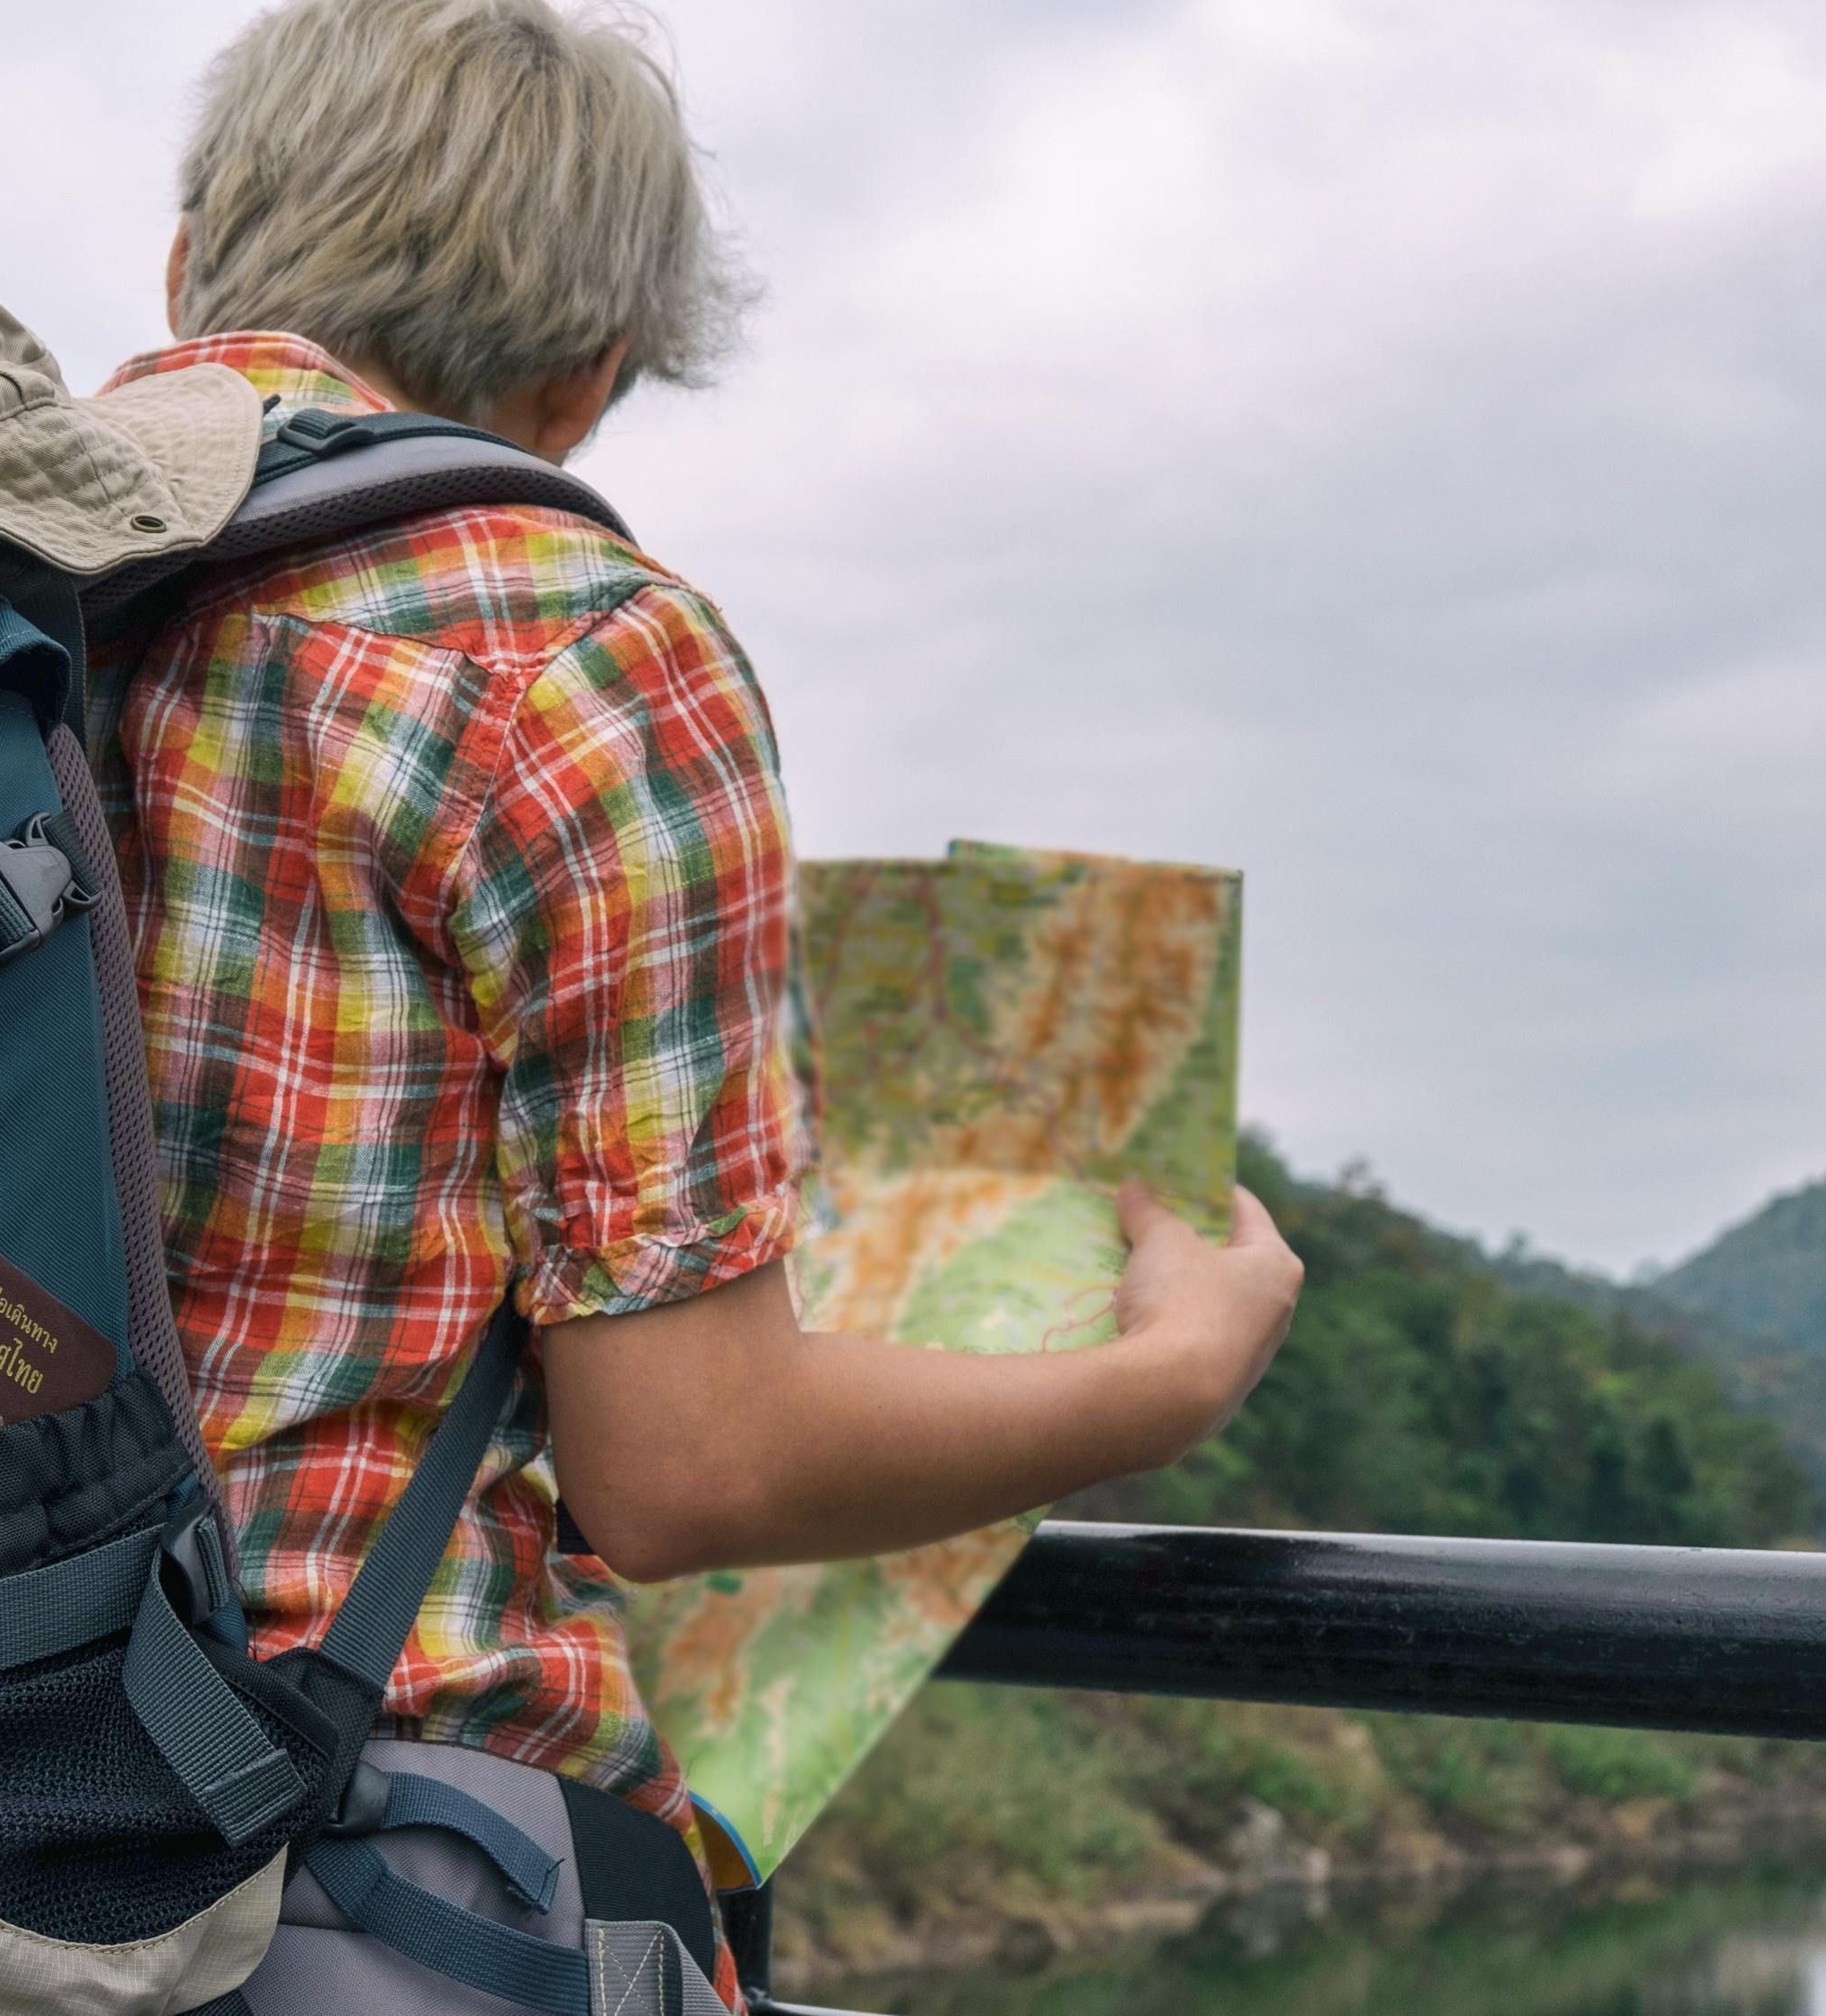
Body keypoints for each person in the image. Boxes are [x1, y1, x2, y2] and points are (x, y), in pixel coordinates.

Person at [94, 0, 1305, 1997]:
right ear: (588, 380)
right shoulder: (573, 653)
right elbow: (688, 1468)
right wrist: (1158, 1383)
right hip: (321, 1851)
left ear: (179, 273)